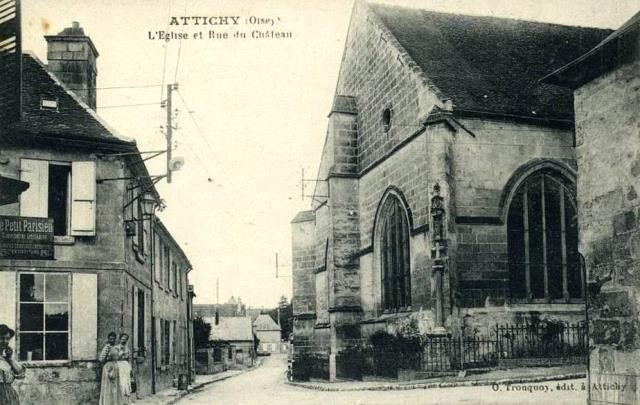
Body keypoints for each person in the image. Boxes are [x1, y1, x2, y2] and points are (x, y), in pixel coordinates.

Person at [0, 324, 25, 405]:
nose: (5, 341)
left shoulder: (7, 358)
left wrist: (10, 359)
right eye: (2, 338)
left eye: (7, 338)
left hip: (9, 395)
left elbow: (20, 374)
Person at [99, 332, 124, 405]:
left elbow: (118, 357)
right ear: (108, 339)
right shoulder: (107, 347)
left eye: (113, 338)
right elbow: (101, 359)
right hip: (108, 367)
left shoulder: (116, 347)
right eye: (110, 339)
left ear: (115, 339)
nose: (112, 340)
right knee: (108, 386)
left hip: (115, 367)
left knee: (115, 386)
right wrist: (108, 358)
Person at [116, 333, 132, 403]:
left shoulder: (127, 348)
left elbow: (129, 359)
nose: (124, 340)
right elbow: (115, 357)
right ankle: (120, 400)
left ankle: (127, 400)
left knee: (127, 381)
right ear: (120, 339)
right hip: (119, 364)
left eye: (125, 339)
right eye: (122, 338)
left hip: (126, 365)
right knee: (120, 381)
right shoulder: (116, 347)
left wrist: (130, 368)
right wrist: (121, 353)